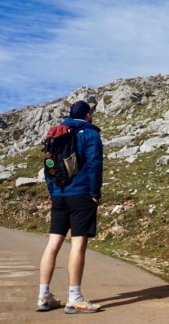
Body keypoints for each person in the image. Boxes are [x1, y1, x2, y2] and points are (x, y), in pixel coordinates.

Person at [37, 100, 103, 313]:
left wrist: (52, 191)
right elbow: (94, 164)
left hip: (59, 195)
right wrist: (95, 193)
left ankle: (44, 296)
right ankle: (74, 297)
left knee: (53, 243)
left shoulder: (56, 133)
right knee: (77, 245)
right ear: (88, 115)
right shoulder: (91, 134)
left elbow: (47, 165)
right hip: (81, 194)